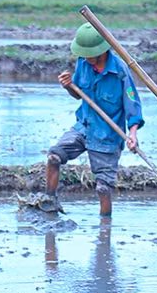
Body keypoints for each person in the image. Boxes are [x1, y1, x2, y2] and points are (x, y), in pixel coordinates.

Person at [43, 23, 144, 215]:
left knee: (103, 188)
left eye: (90, 54)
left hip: (108, 135)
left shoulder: (121, 72)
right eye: (84, 54)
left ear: (102, 51)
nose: (87, 58)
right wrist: (68, 86)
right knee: (54, 157)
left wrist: (132, 134)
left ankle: (105, 228)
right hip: (84, 127)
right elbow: (79, 95)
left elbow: (133, 105)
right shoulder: (83, 63)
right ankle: (49, 202)